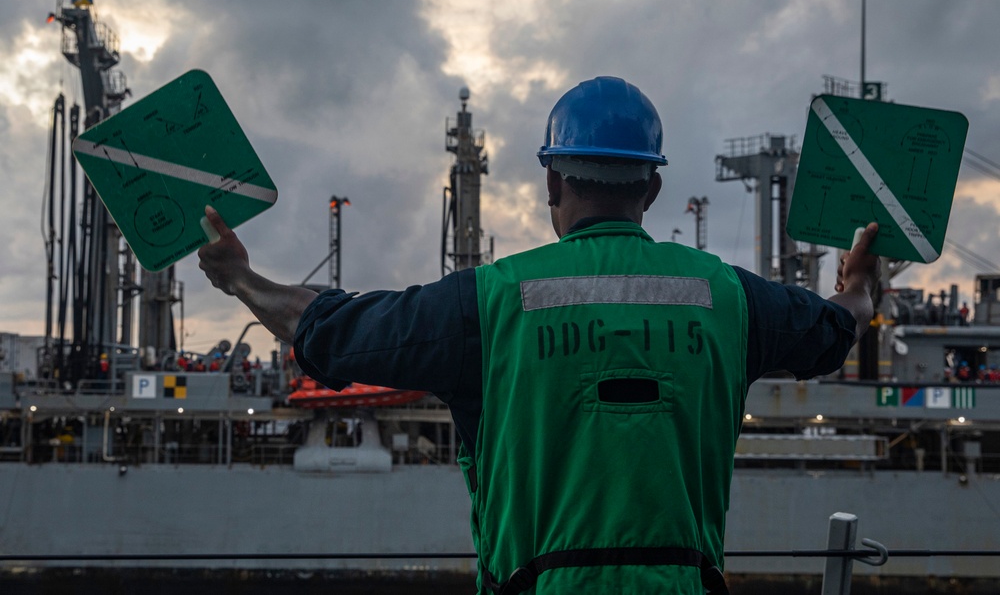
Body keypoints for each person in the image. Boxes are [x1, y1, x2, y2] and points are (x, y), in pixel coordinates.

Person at [198, 76, 879, 594]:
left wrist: (241, 280)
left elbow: (330, 333)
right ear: (654, 189)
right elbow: (832, 331)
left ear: (552, 181)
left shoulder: (492, 301)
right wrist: (856, 287)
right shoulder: (728, 297)